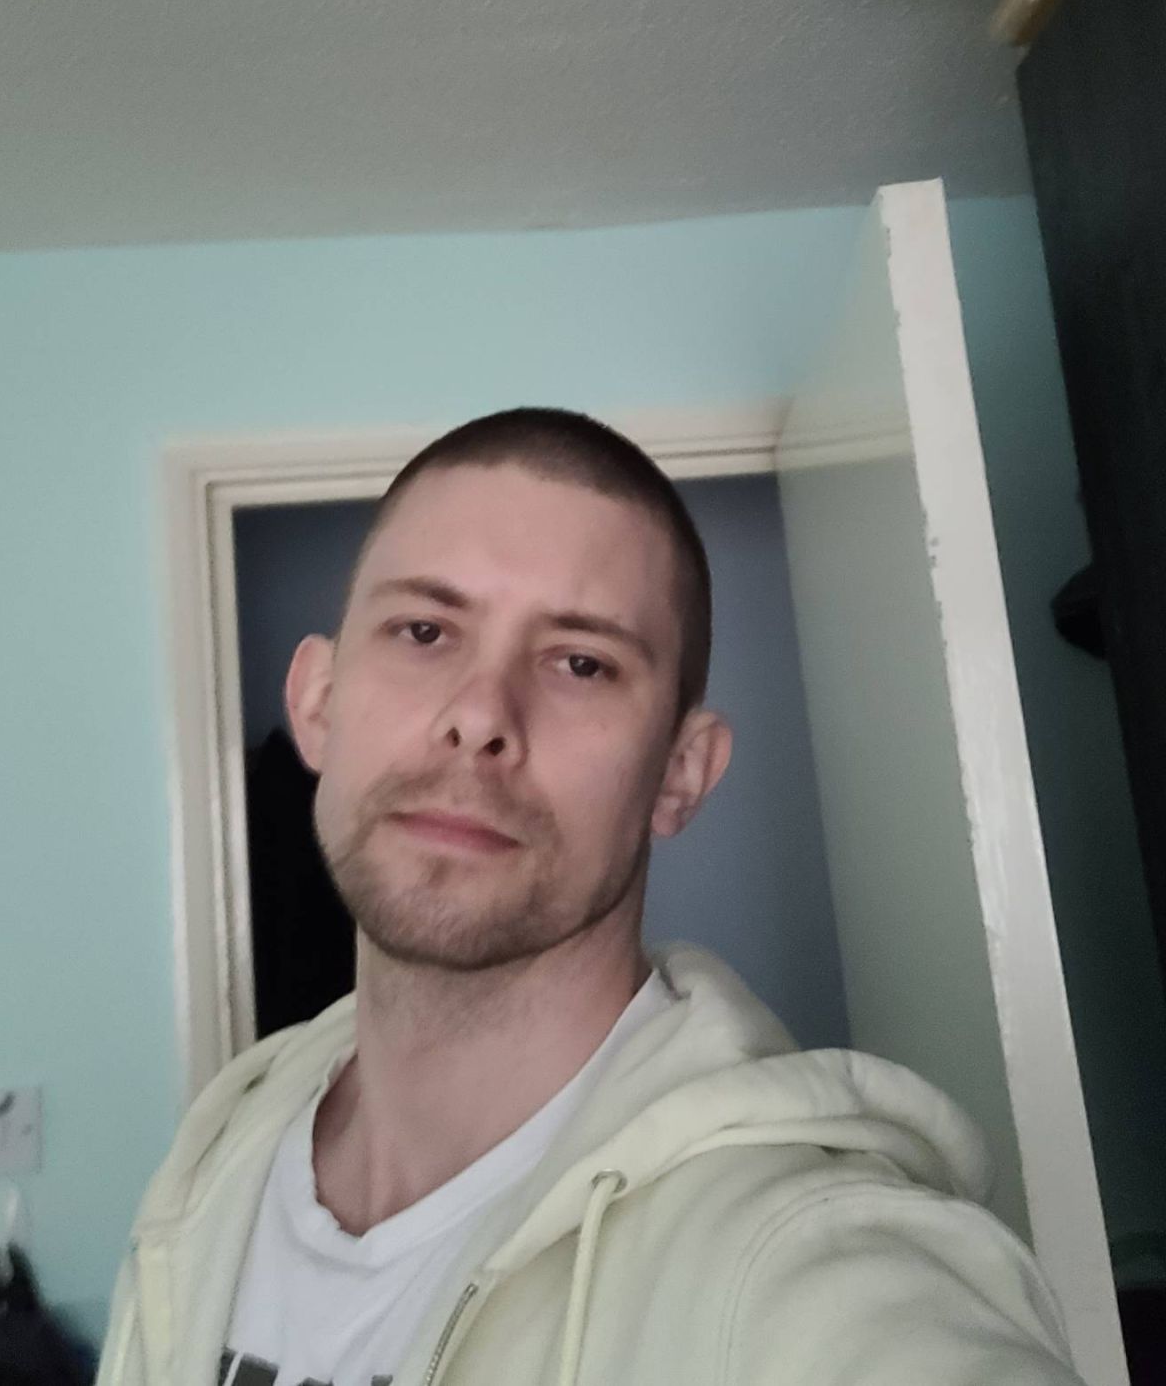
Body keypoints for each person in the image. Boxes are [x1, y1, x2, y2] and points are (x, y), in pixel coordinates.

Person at [97, 407, 1085, 1386]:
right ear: (317, 702)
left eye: (581, 662)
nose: (479, 715)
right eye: (424, 630)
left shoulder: (797, 1258)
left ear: (680, 773)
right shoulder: (213, 1161)